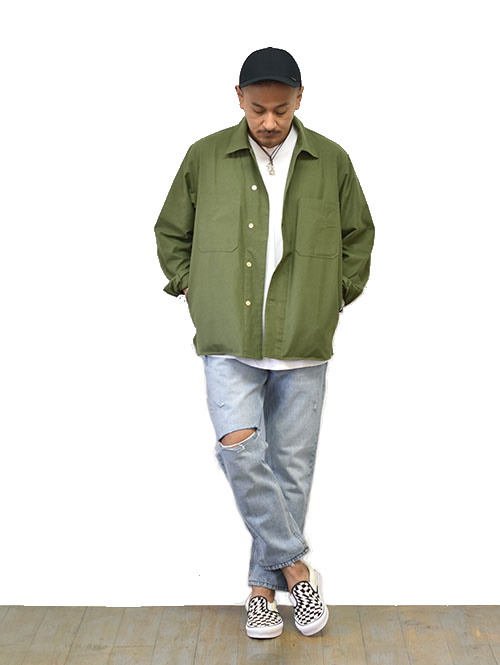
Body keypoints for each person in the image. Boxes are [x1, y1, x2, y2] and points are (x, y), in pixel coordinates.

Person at [154, 47, 375, 639]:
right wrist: (191, 286)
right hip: (227, 333)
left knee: (291, 468)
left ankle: (260, 591)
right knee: (240, 451)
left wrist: (335, 294)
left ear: (299, 99)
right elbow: (171, 231)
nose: (270, 121)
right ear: (239, 99)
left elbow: (358, 235)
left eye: (281, 109)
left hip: (304, 334)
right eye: (258, 109)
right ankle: (297, 569)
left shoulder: (331, 160)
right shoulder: (205, 157)